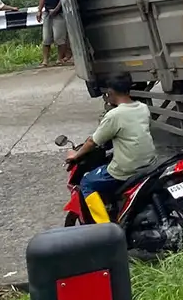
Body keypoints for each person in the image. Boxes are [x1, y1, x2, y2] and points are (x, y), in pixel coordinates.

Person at [64, 72, 156, 210]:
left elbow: (92, 142)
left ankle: (104, 226)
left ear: (111, 92)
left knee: (87, 182)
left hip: (126, 170)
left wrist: (75, 155)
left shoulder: (114, 115)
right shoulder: (143, 108)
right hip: (150, 165)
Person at [38, 0, 71, 67]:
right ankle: (45, 60)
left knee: (59, 37)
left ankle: (60, 58)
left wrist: (56, 9)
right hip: (47, 12)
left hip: (59, 12)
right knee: (46, 37)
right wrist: (39, 10)